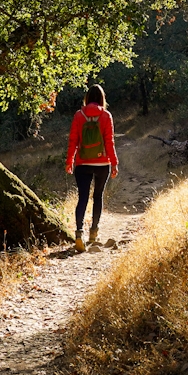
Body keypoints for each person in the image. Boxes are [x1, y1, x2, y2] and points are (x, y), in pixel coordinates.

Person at [65, 83, 118, 252]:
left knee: (82, 198)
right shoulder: (106, 115)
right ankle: (94, 232)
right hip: (102, 163)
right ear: (102, 98)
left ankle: (79, 233)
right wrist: (114, 163)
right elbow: (110, 141)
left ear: (87, 98)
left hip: (82, 163)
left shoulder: (79, 115)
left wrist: (69, 161)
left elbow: (73, 140)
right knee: (98, 196)